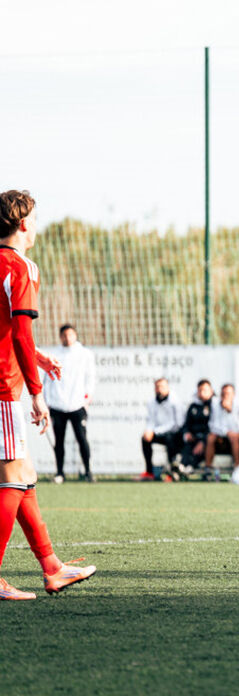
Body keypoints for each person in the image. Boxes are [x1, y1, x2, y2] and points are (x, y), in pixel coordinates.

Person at [0, 189, 95, 601]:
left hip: (6, 382)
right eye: (35, 220)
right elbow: (19, 329)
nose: (36, 226)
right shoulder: (22, 266)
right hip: (5, 389)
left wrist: (34, 356)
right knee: (14, 477)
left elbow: (10, 330)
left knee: (24, 478)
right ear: (23, 224)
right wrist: (37, 393)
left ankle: (52, 567)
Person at [42, 323, 96, 483]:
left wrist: (87, 399)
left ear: (75, 335)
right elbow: (47, 380)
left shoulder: (85, 354)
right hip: (58, 405)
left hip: (78, 405)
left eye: (70, 335)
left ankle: (88, 471)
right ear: (60, 337)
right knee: (59, 441)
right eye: (64, 335)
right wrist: (48, 402)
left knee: (82, 438)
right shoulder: (54, 354)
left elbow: (90, 377)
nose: (68, 338)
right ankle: (60, 473)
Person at [204, 383, 239, 482]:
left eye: (228, 393)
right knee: (210, 437)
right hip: (221, 436)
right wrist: (226, 432)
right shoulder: (215, 405)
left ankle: (237, 468)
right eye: (223, 393)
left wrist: (229, 411)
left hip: (236, 436)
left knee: (235, 437)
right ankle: (208, 468)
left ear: (233, 394)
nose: (225, 396)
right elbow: (212, 425)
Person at [141, 377, 183, 480]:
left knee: (169, 438)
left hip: (175, 433)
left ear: (167, 387)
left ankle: (172, 473)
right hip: (159, 432)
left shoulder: (175, 401)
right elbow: (150, 420)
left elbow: (176, 424)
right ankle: (149, 471)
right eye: (157, 387)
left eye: (162, 387)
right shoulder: (152, 402)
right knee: (145, 439)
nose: (159, 389)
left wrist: (155, 431)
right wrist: (149, 431)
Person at [176, 379, 214, 476]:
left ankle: (189, 467)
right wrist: (187, 433)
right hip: (193, 437)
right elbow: (186, 423)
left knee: (200, 448)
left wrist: (203, 441)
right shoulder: (193, 406)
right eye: (200, 390)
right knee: (185, 445)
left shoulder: (215, 406)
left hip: (207, 439)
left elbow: (213, 426)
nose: (202, 393)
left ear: (211, 391)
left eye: (205, 390)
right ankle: (180, 467)